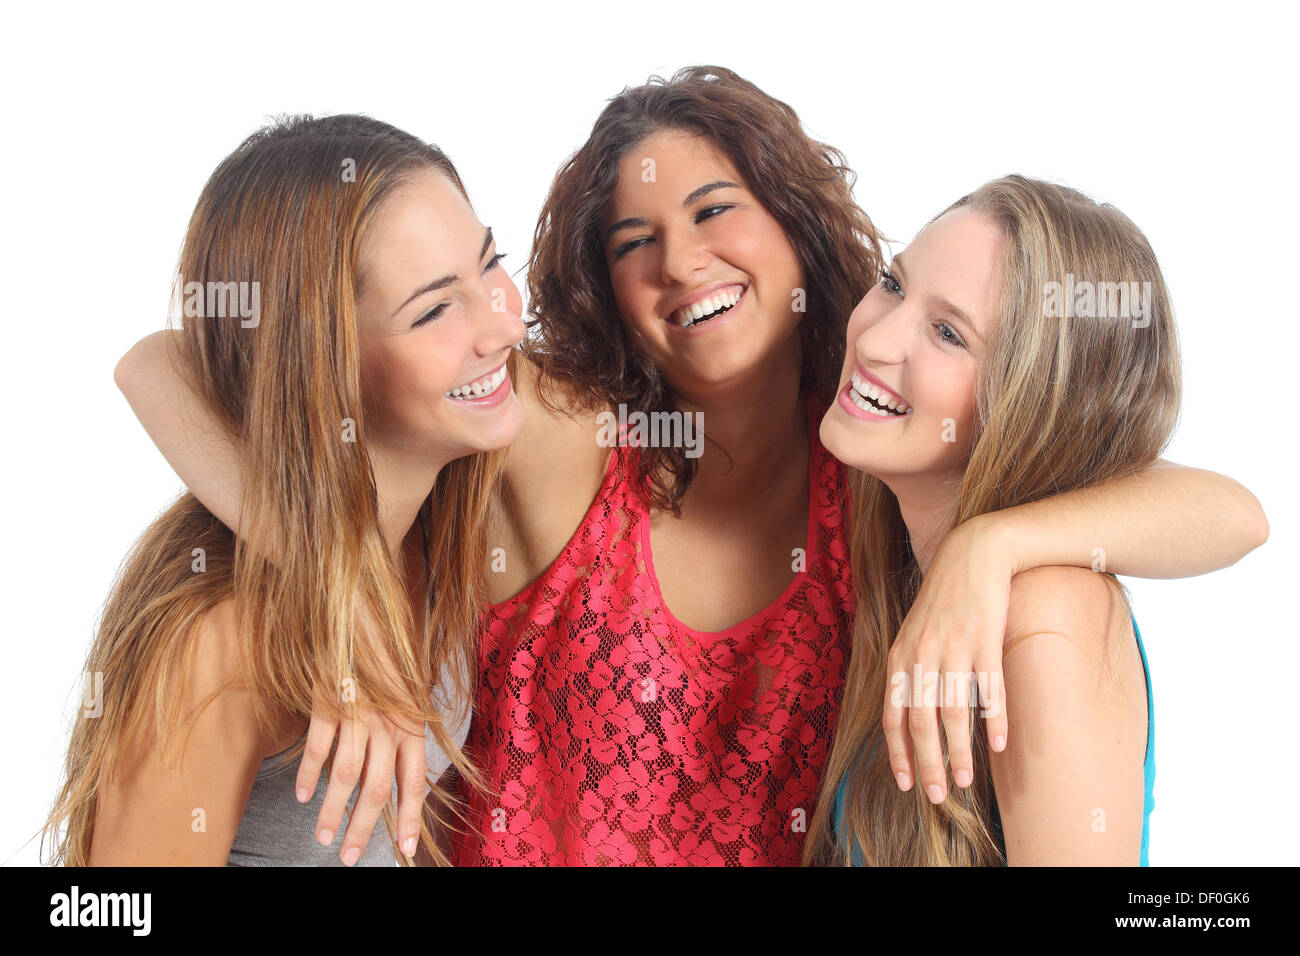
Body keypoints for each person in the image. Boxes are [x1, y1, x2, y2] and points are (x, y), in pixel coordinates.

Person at [115, 69, 1268, 866]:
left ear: (798, 226)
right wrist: (328, 595)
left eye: (718, 208)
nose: (682, 261)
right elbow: (174, 358)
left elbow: (1233, 511)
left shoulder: (877, 471)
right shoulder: (561, 432)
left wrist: (991, 544)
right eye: (632, 244)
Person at [44, 114, 525, 865]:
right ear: (322, 358)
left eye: (491, 264)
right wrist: (335, 597)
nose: (498, 329)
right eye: (433, 309)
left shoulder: (441, 535)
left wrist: (346, 596)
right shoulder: (223, 636)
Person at [806, 175, 1198, 865]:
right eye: (894, 285)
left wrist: (991, 543)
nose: (876, 339)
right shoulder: (907, 577)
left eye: (949, 333)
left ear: (1032, 406)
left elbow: (1245, 516)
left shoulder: (1049, 612)